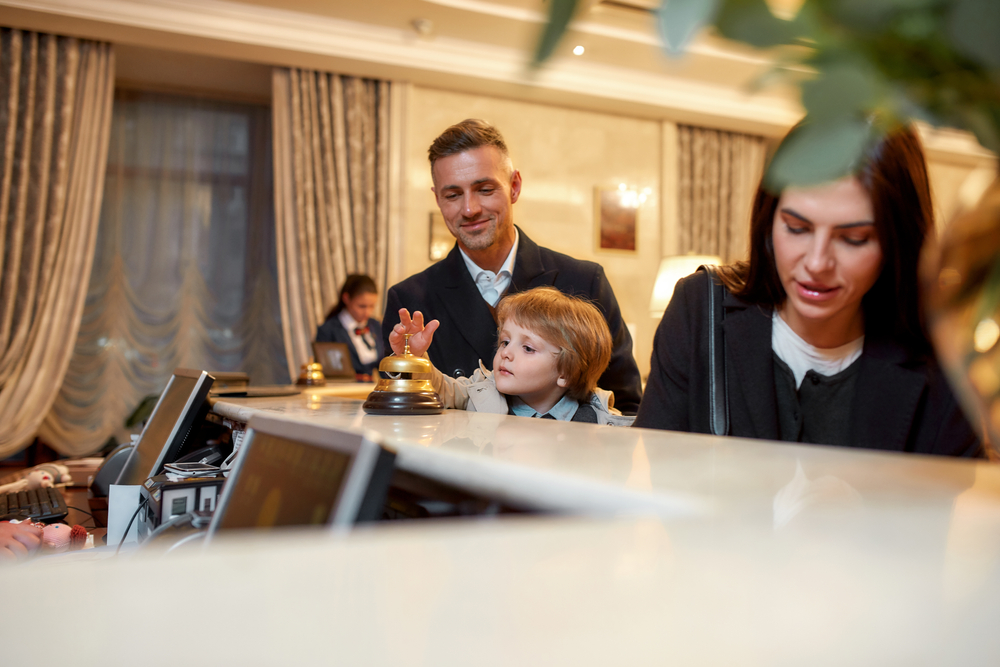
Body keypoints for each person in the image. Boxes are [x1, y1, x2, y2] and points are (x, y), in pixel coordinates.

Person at [635, 124, 983, 457]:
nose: (817, 263)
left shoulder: (945, 361)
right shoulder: (699, 311)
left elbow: (951, 511)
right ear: (768, 221)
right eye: (797, 228)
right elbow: (654, 479)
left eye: (853, 239)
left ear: (898, 242)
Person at [382, 119, 643, 414]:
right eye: (453, 195)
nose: (469, 209)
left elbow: (627, 405)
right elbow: (401, 414)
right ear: (438, 199)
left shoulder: (585, 281)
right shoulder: (409, 300)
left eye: (484, 189)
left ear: (515, 187)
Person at [389, 287, 633, 425]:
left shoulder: (601, 421)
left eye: (528, 348)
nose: (505, 352)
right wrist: (415, 358)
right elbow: (441, 388)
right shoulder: (480, 393)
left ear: (566, 373)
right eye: (505, 341)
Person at [315, 274, 385, 378]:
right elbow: (328, 372)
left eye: (372, 306)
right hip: (342, 391)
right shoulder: (328, 330)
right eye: (362, 306)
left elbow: (384, 368)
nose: (367, 312)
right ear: (346, 298)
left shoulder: (375, 325)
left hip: (371, 390)